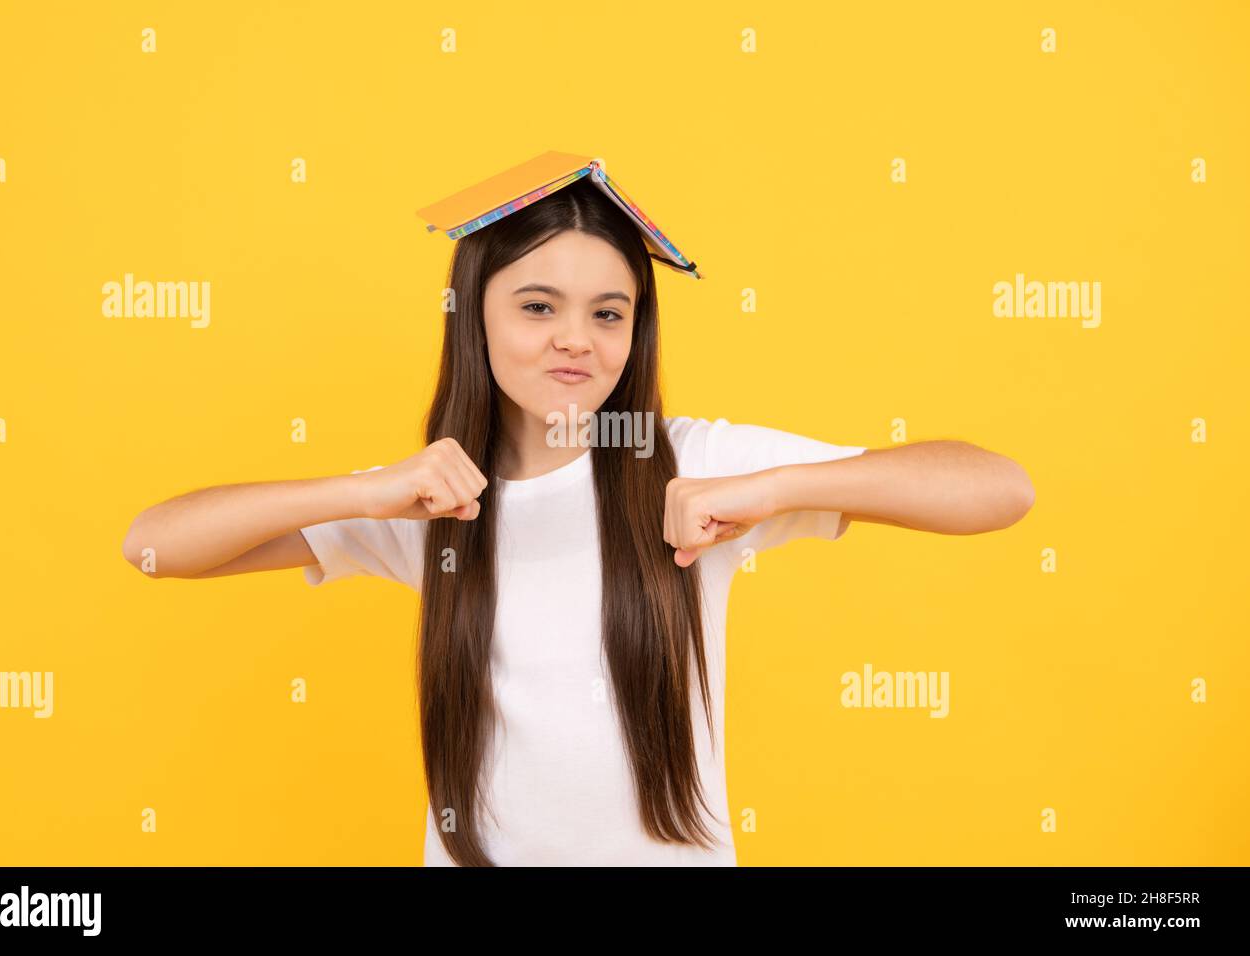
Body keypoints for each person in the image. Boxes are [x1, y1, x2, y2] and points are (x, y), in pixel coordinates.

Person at [122, 177, 1035, 866]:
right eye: (537, 307)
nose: (576, 339)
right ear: (471, 317)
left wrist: (771, 487)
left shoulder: (695, 464)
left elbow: (999, 490)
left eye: (610, 313)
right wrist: (360, 495)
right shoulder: (428, 498)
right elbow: (155, 546)